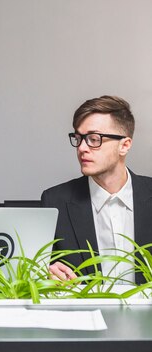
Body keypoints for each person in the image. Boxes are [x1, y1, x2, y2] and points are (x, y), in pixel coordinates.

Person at [41, 95, 152, 284]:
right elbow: (37, 267)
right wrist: (45, 271)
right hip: (84, 312)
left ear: (124, 145)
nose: (82, 148)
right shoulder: (54, 201)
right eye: (78, 138)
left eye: (94, 139)